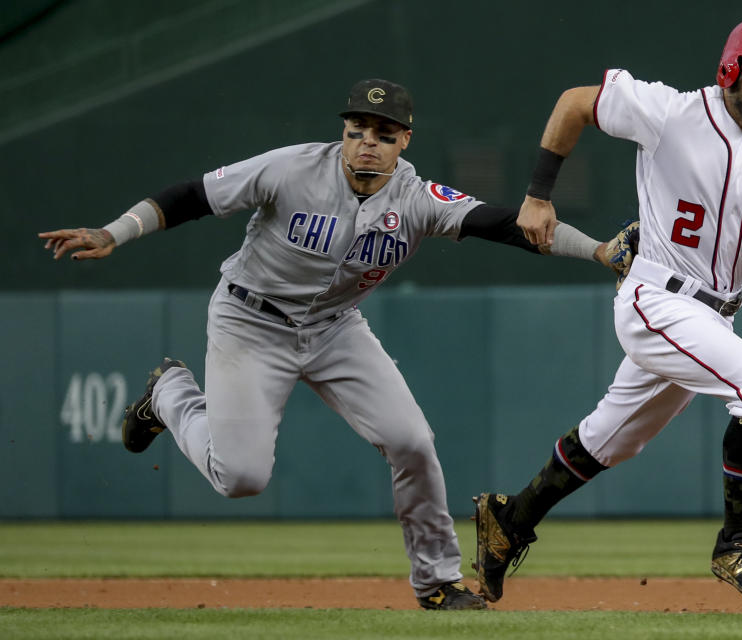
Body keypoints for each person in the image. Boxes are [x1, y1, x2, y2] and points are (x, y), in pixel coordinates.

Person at [38, 78, 624, 611]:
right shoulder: (290, 168)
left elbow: (507, 225)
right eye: (357, 130)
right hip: (251, 320)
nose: (368, 142)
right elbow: (192, 197)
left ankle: (438, 582)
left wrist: (598, 250)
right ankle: (169, 395)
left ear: (405, 140)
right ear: (342, 133)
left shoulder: (416, 198)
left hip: (334, 328)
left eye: (383, 134)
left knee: (412, 441)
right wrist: (112, 232)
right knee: (240, 477)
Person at [473, 17, 742, 603]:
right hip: (656, 298)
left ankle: (508, 523)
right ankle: (736, 542)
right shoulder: (670, 111)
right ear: (730, 69)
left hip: (715, 315)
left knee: (610, 439)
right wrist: (538, 196)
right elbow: (573, 104)